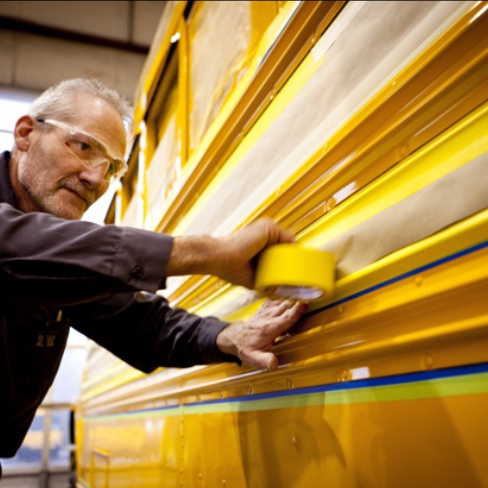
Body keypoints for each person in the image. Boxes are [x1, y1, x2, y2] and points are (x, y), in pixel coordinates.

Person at [0, 78, 307, 463]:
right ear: (26, 133)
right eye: (83, 147)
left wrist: (230, 336)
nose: (96, 179)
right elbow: (14, 248)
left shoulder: (64, 263)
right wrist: (210, 254)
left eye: (110, 167)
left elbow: (141, 323)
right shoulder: (30, 242)